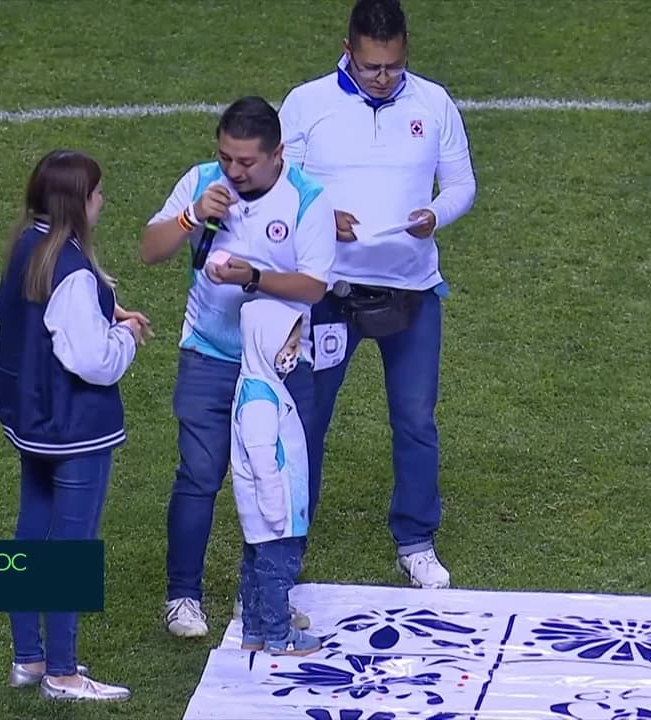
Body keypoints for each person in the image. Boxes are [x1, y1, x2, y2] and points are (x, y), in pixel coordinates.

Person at [278, 0, 478, 589]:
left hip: (412, 289)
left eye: (391, 67)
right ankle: (287, 548)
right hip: (327, 292)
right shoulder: (305, 104)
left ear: (405, 51)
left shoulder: (433, 102)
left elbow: (461, 183)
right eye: (370, 67)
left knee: (415, 418)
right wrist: (318, 217)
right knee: (307, 419)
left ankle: (416, 541)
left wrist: (435, 215)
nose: (381, 78)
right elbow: (277, 189)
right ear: (348, 49)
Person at [139, 96, 336, 637]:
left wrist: (253, 278)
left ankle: (263, 597)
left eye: (247, 161)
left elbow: (315, 285)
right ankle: (183, 596)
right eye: (227, 157)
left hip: (280, 366)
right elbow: (150, 250)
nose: (234, 170)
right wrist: (191, 215)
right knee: (199, 476)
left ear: (277, 155)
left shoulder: (307, 199)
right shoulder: (202, 183)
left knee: (280, 482)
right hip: (207, 355)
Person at [0, 149, 150, 702]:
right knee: (70, 549)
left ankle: (28, 659)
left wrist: (108, 315)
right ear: (78, 203)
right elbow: (93, 360)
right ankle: (62, 672)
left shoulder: (27, 248)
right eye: (97, 193)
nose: (103, 200)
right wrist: (127, 336)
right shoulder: (71, 268)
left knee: (32, 531)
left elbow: (38, 325)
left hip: (30, 419)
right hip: (74, 427)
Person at [231, 298, 322, 656]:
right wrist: (274, 508)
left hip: (270, 509)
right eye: (291, 346)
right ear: (265, 344)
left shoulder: (262, 385)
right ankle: (278, 634)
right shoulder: (259, 401)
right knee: (276, 573)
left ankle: (254, 629)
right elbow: (262, 460)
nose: (295, 354)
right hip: (274, 511)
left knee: (255, 569)